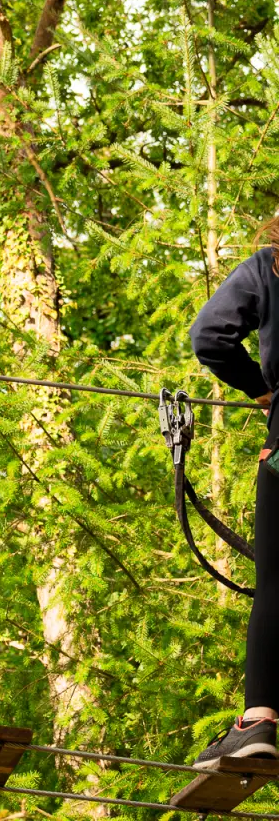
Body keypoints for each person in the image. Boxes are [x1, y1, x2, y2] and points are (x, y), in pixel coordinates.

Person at [189, 223, 279, 769]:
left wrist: (264, 392)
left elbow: (210, 336)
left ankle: (258, 721)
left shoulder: (271, 266)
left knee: (278, 581)